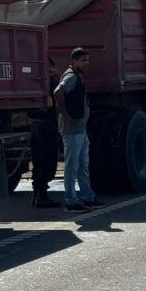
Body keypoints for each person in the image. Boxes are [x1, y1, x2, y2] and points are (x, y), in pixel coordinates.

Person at [54, 48, 104, 213]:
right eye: (83, 60)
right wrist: (65, 114)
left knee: (83, 165)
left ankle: (88, 197)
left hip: (80, 129)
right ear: (74, 61)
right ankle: (70, 201)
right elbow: (58, 92)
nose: (86, 63)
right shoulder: (70, 77)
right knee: (72, 166)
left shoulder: (77, 77)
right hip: (72, 130)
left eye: (88, 60)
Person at [29, 58, 62, 208]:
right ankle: (41, 195)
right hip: (47, 125)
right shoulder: (52, 83)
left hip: (35, 125)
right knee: (47, 160)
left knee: (38, 161)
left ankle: (37, 194)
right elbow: (53, 103)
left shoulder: (33, 82)